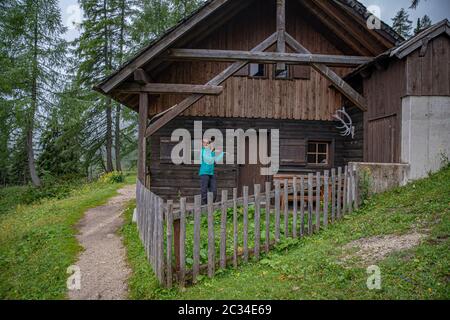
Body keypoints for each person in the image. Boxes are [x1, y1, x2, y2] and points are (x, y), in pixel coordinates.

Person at [200, 138, 224, 205]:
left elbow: (215, 161)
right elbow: (209, 160)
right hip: (204, 173)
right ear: (203, 144)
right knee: (204, 190)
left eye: (208, 143)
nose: (207, 144)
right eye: (205, 143)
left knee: (214, 190)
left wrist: (222, 154)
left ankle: (211, 204)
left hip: (211, 173)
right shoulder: (203, 151)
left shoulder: (211, 152)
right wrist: (212, 151)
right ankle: (205, 205)